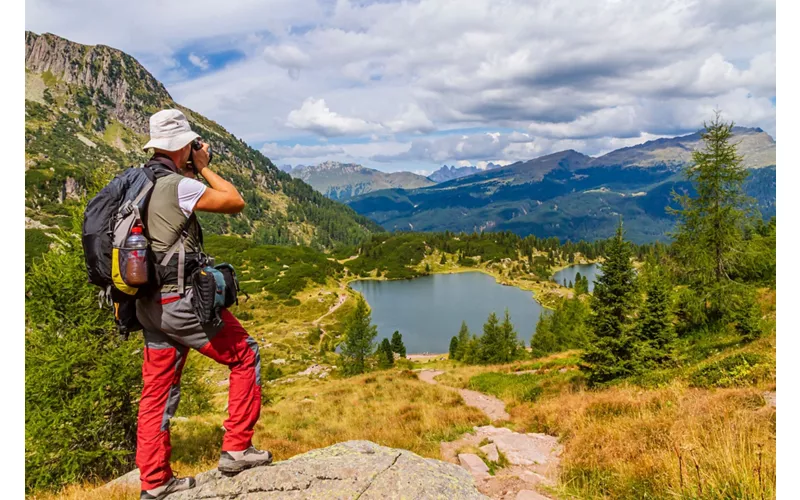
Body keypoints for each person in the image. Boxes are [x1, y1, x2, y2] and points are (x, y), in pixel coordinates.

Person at [134, 109, 271, 500]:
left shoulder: (139, 181)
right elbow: (234, 201)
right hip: (179, 301)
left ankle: (155, 482)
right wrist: (203, 166)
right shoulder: (177, 184)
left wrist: (190, 165)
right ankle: (237, 449)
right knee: (245, 354)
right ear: (182, 145)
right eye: (190, 144)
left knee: (157, 391)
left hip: (148, 304)